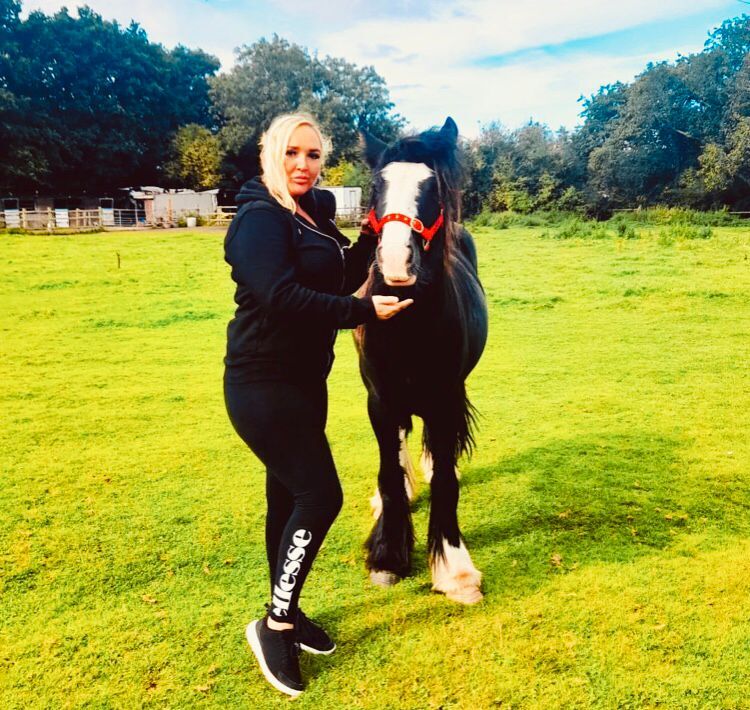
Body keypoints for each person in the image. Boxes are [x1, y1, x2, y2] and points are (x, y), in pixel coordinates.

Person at [223, 113, 412, 697]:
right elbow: (280, 297)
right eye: (292, 154)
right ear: (270, 154)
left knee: (285, 497)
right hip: (262, 383)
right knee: (320, 495)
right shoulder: (259, 219)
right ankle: (274, 624)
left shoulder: (314, 216)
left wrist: (377, 236)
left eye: (313, 156)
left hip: (307, 382)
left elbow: (339, 272)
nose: (303, 165)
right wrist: (360, 313)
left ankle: (290, 607)